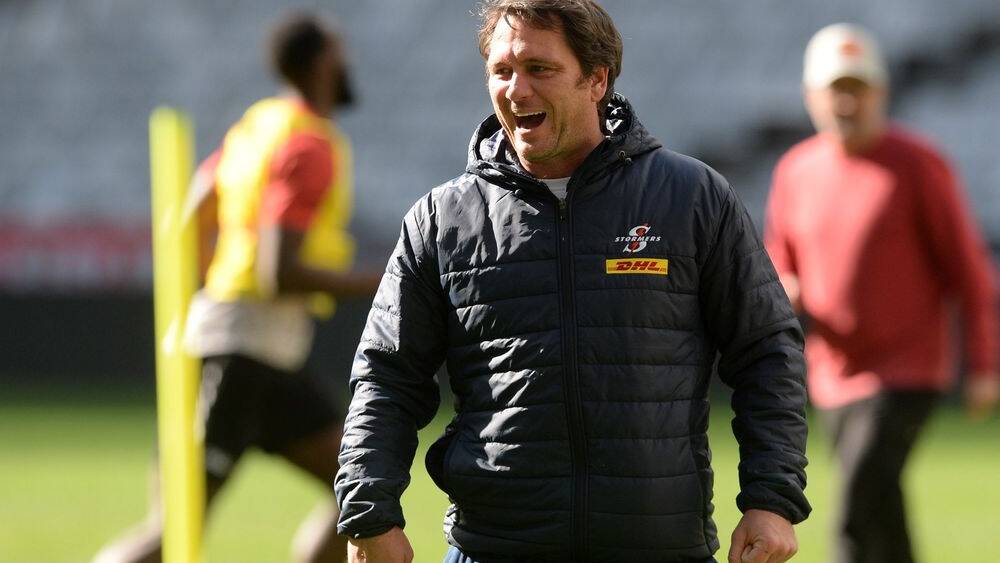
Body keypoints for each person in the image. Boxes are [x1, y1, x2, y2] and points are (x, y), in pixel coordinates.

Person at [335, 2, 811, 562]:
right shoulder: (442, 219)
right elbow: (386, 377)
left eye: (540, 68)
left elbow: (767, 352)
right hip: (493, 549)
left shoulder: (692, 197)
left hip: (658, 548)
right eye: (502, 70)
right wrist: (369, 513)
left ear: (597, 80)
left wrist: (772, 499)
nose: (517, 89)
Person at [92, 12, 380, 563]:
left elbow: (190, 216)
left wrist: (214, 288)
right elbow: (277, 274)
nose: (348, 63)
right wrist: (384, 280)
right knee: (173, 534)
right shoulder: (309, 145)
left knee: (359, 488)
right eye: (341, 51)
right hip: (243, 354)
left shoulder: (259, 125)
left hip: (258, 350)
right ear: (323, 63)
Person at [764, 23, 999, 563]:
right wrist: (787, 286)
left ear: (881, 93)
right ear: (811, 96)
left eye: (859, 88)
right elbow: (779, 257)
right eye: (836, 89)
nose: (848, 102)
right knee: (881, 508)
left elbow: (968, 270)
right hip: (833, 371)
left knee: (855, 503)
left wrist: (984, 364)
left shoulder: (918, 164)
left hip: (907, 370)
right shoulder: (797, 170)